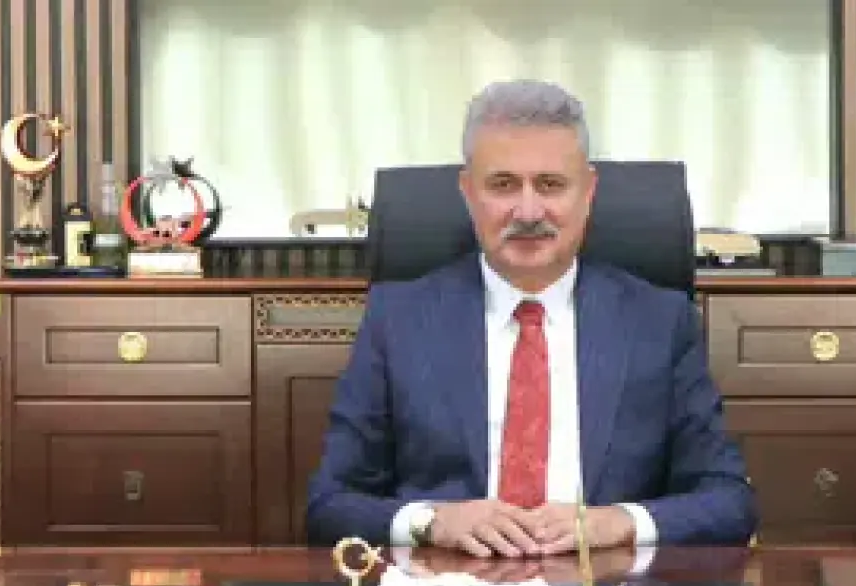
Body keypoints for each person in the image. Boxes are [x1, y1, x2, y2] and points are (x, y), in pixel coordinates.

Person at [305, 79, 758, 558]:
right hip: (451, 585)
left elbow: (729, 500)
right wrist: (432, 521)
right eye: (503, 185)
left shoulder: (659, 322)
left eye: (550, 185)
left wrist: (619, 522)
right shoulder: (399, 319)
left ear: (588, 192)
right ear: (467, 192)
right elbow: (330, 505)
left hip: (602, 585)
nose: (527, 211)